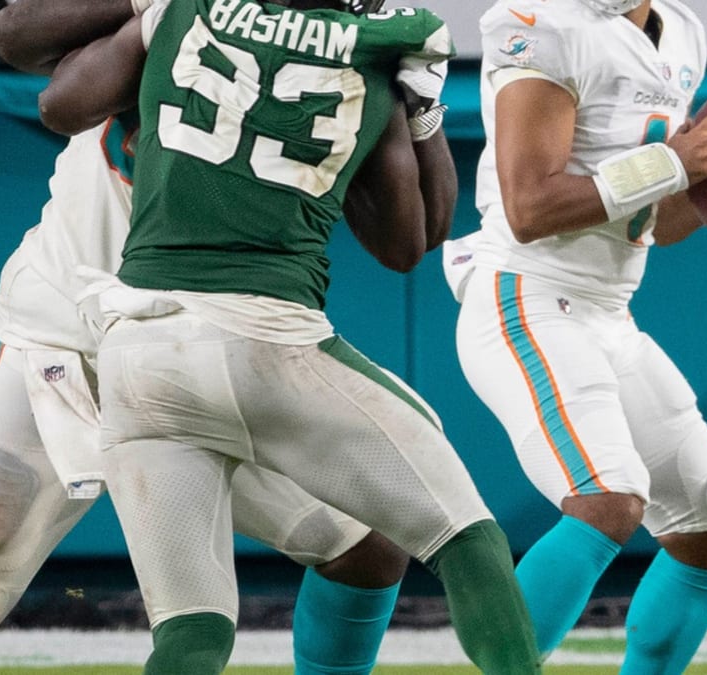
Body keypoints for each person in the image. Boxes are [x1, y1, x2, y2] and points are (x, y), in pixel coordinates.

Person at [0, 0, 468, 671]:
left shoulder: (358, 44)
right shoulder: (190, 14)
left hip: (212, 350)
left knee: (370, 539)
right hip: (69, 340)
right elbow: (26, 49)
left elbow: (411, 240)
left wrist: (422, 113)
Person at [36, 0, 542, 672]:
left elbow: (57, 102)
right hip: (265, 338)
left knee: (192, 633)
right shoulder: (377, 47)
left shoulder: (188, 8)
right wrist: (423, 114)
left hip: (135, 349)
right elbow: (410, 241)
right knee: (466, 537)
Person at [447, 0, 707, 671]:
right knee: (608, 497)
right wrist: (672, 161)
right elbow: (529, 207)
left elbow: (654, 220)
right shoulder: (538, 22)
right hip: (527, 294)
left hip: (609, 312)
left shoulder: (680, 32)